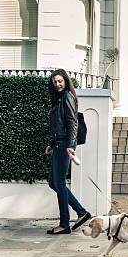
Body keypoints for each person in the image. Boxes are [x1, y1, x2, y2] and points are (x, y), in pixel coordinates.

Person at [45, 69, 91, 234]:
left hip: (65, 144)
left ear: (66, 81)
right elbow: (58, 125)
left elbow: (72, 122)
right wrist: (51, 143)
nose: (57, 84)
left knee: (60, 182)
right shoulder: (58, 99)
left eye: (60, 81)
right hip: (58, 143)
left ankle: (65, 224)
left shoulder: (67, 97)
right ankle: (81, 212)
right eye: (55, 82)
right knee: (53, 182)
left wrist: (71, 145)